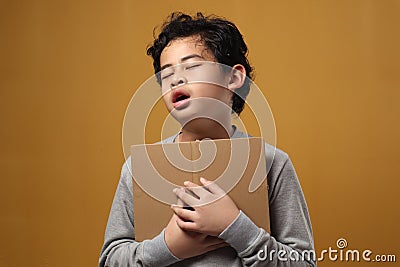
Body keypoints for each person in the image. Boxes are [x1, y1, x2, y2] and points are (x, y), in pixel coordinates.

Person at [99, 12, 316, 266]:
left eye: (191, 66)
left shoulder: (272, 163)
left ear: (233, 77)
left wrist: (235, 227)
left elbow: (303, 262)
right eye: (166, 75)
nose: (176, 79)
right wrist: (169, 247)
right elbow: (110, 260)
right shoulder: (138, 169)